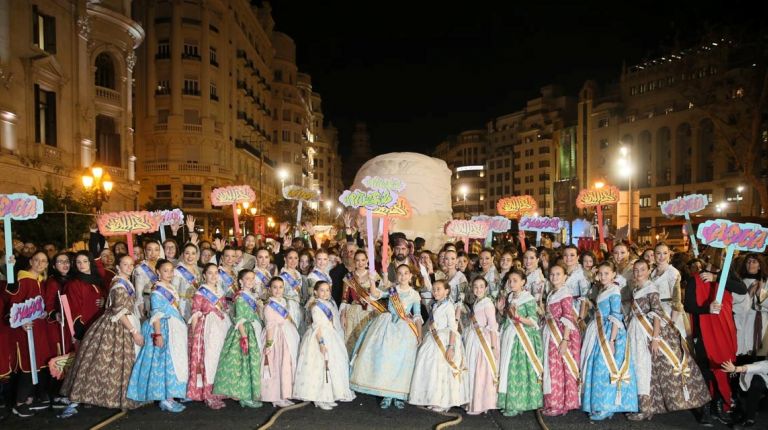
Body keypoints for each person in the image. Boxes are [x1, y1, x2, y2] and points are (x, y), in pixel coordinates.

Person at [60, 254, 143, 416]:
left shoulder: (124, 282)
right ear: (118, 267)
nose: (128, 267)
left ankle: (117, 396)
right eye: (124, 264)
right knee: (106, 362)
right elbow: (119, 311)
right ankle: (88, 397)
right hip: (119, 325)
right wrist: (134, 332)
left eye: (130, 264)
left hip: (124, 321)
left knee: (111, 363)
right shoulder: (119, 284)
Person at [627, 259, 709, 421]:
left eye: (642, 270)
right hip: (636, 332)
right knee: (643, 369)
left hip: (649, 333)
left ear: (648, 270)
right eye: (635, 270)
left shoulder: (651, 289)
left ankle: (648, 408)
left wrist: (655, 338)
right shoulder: (637, 288)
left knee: (649, 368)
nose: (638, 273)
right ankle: (648, 406)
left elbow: (657, 314)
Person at [349, 264, 422, 409]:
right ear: (396, 276)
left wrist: (419, 334)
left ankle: (399, 394)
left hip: (405, 330)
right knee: (387, 360)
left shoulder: (414, 294)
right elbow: (376, 295)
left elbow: (418, 315)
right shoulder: (392, 290)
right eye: (400, 273)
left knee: (402, 362)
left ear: (410, 276)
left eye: (406, 273)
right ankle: (387, 394)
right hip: (387, 326)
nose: (403, 276)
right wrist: (371, 281)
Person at [684, 259, 746, 424]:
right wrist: (706, 309)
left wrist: (716, 278)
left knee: (724, 367)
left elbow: (742, 289)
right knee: (706, 370)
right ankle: (705, 407)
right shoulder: (695, 279)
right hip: (705, 332)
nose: (717, 264)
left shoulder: (727, 279)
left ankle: (719, 405)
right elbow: (688, 306)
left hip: (726, 331)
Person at [126, 259, 189, 413]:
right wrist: (158, 335)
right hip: (162, 329)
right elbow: (156, 316)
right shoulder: (157, 291)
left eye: (171, 270)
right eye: (165, 271)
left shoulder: (171, 288)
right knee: (163, 364)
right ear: (158, 273)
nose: (169, 273)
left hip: (175, 329)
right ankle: (163, 398)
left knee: (173, 364)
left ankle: (171, 396)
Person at [580, 261, 638, 420]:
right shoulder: (603, 289)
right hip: (599, 331)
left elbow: (616, 316)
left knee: (605, 368)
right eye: (600, 273)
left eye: (607, 273)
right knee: (598, 368)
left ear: (614, 274)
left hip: (610, 333)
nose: (603, 276)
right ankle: (599, 404)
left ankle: (606, 407)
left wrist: (612, 340)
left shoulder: (614, 291)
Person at [293, 281, 355, 410]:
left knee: (331, 365)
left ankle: (329, 395)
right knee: (319, 366)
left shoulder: (329, 304)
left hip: (330, 336)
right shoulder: (315, 306)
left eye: (327, 290)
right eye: (322, 290)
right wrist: (321, 343)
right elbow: (317, 327)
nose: (325, 293)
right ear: (315, 292)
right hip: (319, 338)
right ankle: (318, 397)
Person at [409, 280, 468, 411]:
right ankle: (432, 398)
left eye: (439, 289)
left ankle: (443, 401)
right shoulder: (435, 305)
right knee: (431, 369)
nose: (435, 292)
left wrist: (451, 347)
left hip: (445, 339)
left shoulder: (448, 306)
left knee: (442, 370)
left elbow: (453, 327)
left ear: (446, 291)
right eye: (434, 289)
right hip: (433, 338)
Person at [8, 251, 54, 418]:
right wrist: (21, 321)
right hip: (26, 330)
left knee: (37, 365)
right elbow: (13, 304)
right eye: (37, 260)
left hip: (39, 329)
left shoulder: (41, 281)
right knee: (28, 365)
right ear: (30, 261)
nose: (40, 264)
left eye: (44, 261)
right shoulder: (24, 280)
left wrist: (42, 313)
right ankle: (19, 403)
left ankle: (28, 399)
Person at [213, 269, 264, 408]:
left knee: (251, 364)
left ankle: (249, 393)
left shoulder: (251, 296)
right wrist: (244, 337)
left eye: (253, 278)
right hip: (244, 332)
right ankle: (244, 396)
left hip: (253, 330)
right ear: (241, 281)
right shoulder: (240, 297)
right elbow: (240, 319)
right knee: (243, 365)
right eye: (247, 278)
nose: (251, 281)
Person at [497, 269, 544, 417]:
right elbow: (508, 318)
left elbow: (533, 321)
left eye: (515, 280)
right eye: (510, 280)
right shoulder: (511, 297)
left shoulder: (528, 299)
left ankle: (518, 404)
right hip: (510, 335)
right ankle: (509, 402)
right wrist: (500, 311)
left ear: (523, 282)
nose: (511, 283)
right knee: (508, 370)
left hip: (523, 339)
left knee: (517, 370)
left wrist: (518, 318)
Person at [187, 263, 232, 409]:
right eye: (210, 273)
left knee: (220, 358)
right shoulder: (201, 292)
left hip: (222, 327)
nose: (213, 276)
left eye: (215, 273)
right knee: (210, 360)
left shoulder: (220, 291)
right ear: (204, 275)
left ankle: (220, 390)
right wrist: (195, 336)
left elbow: (224, 308)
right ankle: (209, 395)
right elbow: (195, 313)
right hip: (208, 329)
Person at [541, 264, 581, 416]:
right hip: (551, 332)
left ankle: (559, 405)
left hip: (563, 334)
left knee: (559, 369)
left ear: (565, 276)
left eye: (558, 274)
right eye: (552, 274)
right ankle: (552, 402)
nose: (554, 277)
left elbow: (568, 317)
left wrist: (565, 340)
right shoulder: (553, 292)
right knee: (552, 368)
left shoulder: (565, 293)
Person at [261, 276, 301, 408]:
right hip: (275, 339)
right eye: (275, 287)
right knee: (276, 365)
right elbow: (270, 327)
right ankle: (275, 396)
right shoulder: (269, 306)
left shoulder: (284, 302)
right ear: (270, 289)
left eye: (280, 287)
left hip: (287, 336)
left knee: (286, 365)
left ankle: (284, 394)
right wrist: (268, 344)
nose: (278, 290)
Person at [463, 277, 499, 415]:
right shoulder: (477, 302)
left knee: (482, 371)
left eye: (481, 286)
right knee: (474, 369)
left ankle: (482, 403)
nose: (478, 289)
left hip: (484, 339)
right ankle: (473, 402)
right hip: (474, 338)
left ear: (486, 288)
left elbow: (493, 325)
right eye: (475, 286)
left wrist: (494, 346)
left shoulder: (488, 303)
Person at [340, 250, 384, 353]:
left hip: (370, 311)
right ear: (354, 261)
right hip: (353, 312)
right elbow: (344, 298)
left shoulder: (374, 275)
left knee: (366, 343)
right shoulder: (349, 277)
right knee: (351, 342)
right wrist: (342, 315)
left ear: (367, 261)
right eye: (358, 260)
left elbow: (380, 295)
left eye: (363, 260)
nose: (360, 263)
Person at [66, 251, 106, 342]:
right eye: (78, 262)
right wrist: (79, 331)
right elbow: (74, 308)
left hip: (100, 324)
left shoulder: (97, 280)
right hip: (85, 327)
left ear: (90, 262)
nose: (81, 264)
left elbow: (105, 295)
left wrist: (104, 300)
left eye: (85, 261)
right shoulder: (74, 283)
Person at [734, 254, 768, 357]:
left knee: (758, 356)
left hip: (761, 323)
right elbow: (734, 304)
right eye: (748, 262)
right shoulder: (739, 282)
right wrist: (748, 295)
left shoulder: (765, 282)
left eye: (754, 262)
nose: (750, 264)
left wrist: (759, 294)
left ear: (759, 265)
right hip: (742, 322)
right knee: (742, 354)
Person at [650, 243, 686, 336]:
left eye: (665, 253)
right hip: (655, 312)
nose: (662, 256)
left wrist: (672, 323)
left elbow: (676, 300)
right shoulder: (653, 272)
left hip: (669, 313)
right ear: (654, 255)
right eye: (658, 253)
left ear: (669, 254)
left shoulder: (672, 273)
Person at [722, 359, 767, 429]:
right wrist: (736, 369)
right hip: (758, 382)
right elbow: (758, 367)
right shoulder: (765, 365)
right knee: (757, 382)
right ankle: (749, 418)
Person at [562, 245, 591, 329]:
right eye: (565, 255)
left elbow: (584, 298)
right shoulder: (560, 271)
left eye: (572, 255)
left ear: (578, 257)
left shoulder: (582, 273)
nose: (568, 258)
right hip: (562, 308)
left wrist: (580, 318)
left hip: (575, 310)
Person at [279, 249, 306, 334]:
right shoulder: (282, 276)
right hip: (287, 307)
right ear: (285, 259)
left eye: (296, 258)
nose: (293, 261)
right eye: (290, 258)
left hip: (298, 306)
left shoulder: (298, 274)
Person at [132, 240, 162, 315]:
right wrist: (142, 310)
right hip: (148, 302)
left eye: (156, 250)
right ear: (145, 252)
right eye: (149, 250)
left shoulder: (163, 265)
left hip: (163, 300)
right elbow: (139, 293)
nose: (153, 253)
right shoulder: (140, 269)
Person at [173, 243, 201, 320]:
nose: (190, 256)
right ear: (183, 254)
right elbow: (174, 291)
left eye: (193, 253)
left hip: (196, 304)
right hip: (183, 305)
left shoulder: (197, 270)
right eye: (187, 253)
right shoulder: (177, 271)